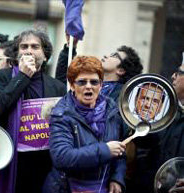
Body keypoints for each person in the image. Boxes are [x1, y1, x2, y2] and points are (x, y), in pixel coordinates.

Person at [0, 29, 66, 193]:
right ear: (17, 54)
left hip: (42, 165)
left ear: (45, 55)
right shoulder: (2, 77)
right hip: (9, 160)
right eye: (24, 47)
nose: (29, 50)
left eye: (35, 46)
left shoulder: (58, 87)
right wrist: (22, 76)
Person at [43, 56, 127, 193]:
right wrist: (104, 150)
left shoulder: (112, 110)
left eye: (94, 82)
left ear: (101, 84)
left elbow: (120, 151)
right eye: (82, 82)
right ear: (72, 85)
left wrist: (117, 178)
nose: (88, 86)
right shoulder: (61, 114)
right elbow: (62, 157)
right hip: (67, 187)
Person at [126, 52, 184, 193]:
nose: (173, 76)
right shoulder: (165, 109)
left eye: (179, 72)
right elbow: (145, 143)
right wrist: (139, 122)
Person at [55, 35, 143, 102]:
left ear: (121, 70)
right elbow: (62, 83)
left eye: (114, 56)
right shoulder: (89, 79)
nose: (106, 56)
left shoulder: (122, 98)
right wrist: (70, 46)